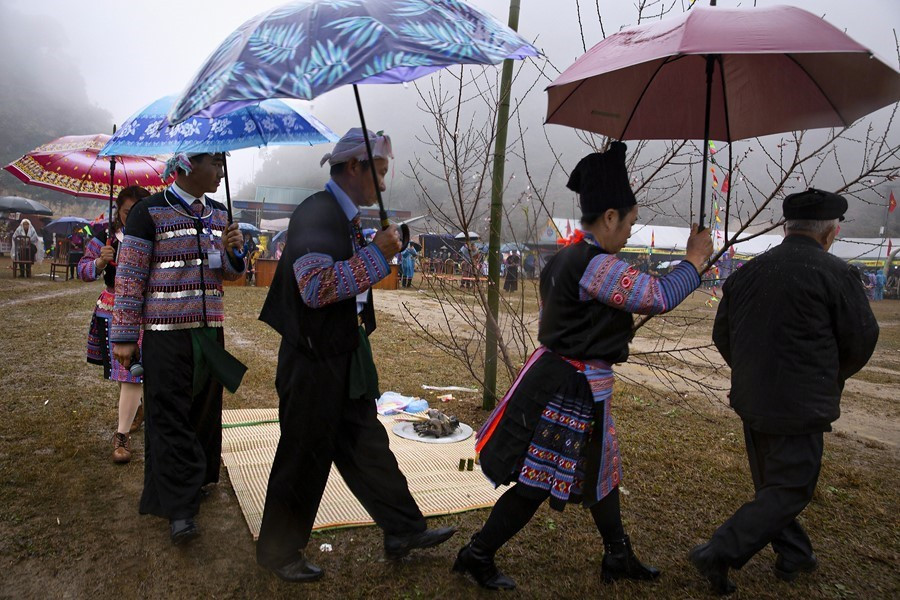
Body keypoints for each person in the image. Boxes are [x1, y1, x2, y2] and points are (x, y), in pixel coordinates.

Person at [456, 142, 712, 591]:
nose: (633, 231)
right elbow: (658, 296)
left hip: (564, 380)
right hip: (569, 390)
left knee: (599, 468)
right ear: (610, 217)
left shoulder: (564, 259)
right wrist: (693, 261)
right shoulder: (597, 264)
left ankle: (617, 554)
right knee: (536, 482)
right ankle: (477, 553)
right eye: (631, 221)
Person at [256, 129, 455, 583]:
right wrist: (375, 256)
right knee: (304, 454)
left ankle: (403, 529)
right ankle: (278, 551)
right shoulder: (316, 214)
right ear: (354, 167)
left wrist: (373, 249)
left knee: (366, 444)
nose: (384, 185)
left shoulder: (342, 218)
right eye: (380, 172)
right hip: (311, 361)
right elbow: (315, 288)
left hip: (341, 353)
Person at [689, 189, 879, 595]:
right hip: (800, 403)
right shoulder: (836, 274)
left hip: (753, 398)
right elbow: (862, 339)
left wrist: (752, 372)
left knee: (773, 485)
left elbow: (723, 333)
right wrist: (828, 376)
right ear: (831, 233)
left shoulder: (748, 272)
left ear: (787, 227)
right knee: (790, 489)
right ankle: (719, 551)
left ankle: (794, 553)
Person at [111, 152, 245, 545]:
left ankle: (199, 479)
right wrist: (122, 334)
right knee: (168, 416)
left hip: (210, 334)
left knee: (204, 409)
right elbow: (131, 276)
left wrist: (234, 250)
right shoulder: (149, 212)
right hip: (164, 334)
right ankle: (179, 509)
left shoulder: (220, 215)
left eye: (222, 163)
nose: (220, 171)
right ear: (187, 167)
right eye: (215, 163)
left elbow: (233, 275)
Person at [78, 186, 150, 463]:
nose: (132, 218)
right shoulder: (105, 238)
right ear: (118, 212)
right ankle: (137, 408)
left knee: (132, 373)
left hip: (143, 312)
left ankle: (121, 435)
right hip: (111, 309)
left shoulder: (152, 234)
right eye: (127, 212)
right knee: (125, 374)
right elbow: (83, 271)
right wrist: (98, 262)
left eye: (138, 212)